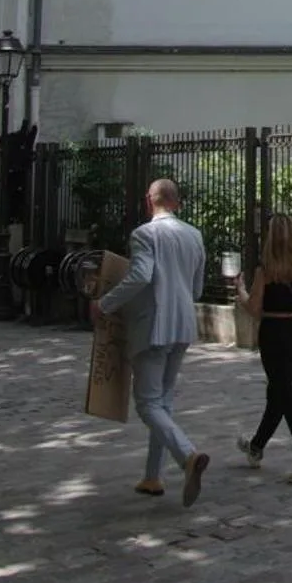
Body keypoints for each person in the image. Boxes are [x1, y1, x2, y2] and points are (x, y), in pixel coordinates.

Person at [93, 178, 209, 506]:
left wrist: (104, 304)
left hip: (154, 325)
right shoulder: (194, 235)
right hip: (183, 325)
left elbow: (141, 275)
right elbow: (197, 288)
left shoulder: (144, 234)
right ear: (177, 202)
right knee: (164, 401)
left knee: (147, 404)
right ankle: (152, 475)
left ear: (149, 201)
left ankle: (187, 455)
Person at [235, 215, 292, 483]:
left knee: (287, 397)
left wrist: (240, 290)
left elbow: (254, 309)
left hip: (274, 337)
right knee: (279, 394)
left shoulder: (266, 271)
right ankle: (256, 447)